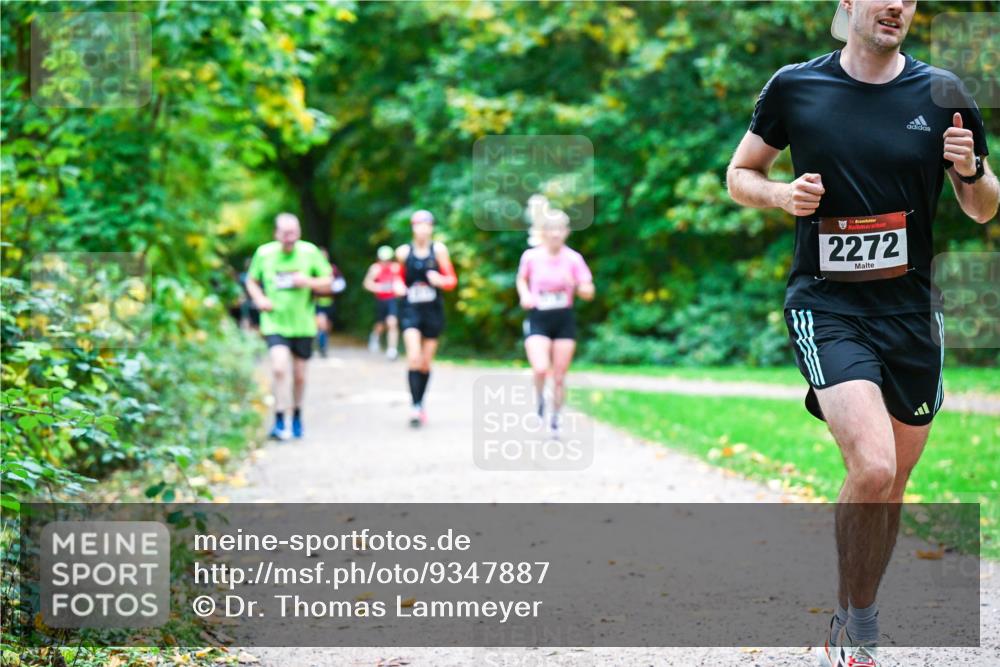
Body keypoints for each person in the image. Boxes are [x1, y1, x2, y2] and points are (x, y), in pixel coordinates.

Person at [726, 1, 997, 665]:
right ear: (848, 2)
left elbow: (983, 206)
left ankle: (855, 610)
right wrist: (781, 196)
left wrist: (970, 171)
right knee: (873, 466)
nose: (897, 5)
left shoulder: (944, 93)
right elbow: (740, 175)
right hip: (827, 305)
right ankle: (859, 629)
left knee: (892, 484)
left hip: (911, 315)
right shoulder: (796, 86)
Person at [245, 213, 333, 441]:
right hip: (275, 321)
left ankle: (296, 416)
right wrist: (260, 298)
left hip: (303, 324)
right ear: (276, 234)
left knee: (300, 376)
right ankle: (279, 418)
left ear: (299, 232)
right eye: (285, 233)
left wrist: (308, 282)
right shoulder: (264, 253)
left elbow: (328, 281)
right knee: (279, 368)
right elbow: (251, 280)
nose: (290, 237)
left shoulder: (309, 252)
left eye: (294, 232)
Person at [516, 202, 594, 436]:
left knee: (559, 376)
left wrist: (576, 285)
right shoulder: (531, 256)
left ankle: (556, 419)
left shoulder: (574, 259)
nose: (556, 234)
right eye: (551, 229)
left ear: (566, 232)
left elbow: (589, 292)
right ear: (543, 232)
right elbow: (521, 279)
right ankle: (540, 401)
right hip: (538, 317)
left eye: (560, 229)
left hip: (563, 320)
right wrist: (525, 294)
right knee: (540, 368)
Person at [395, 210, 458, 427]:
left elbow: (451, 280)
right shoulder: (403, 252)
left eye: (426, 225)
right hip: (411, 309)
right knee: (413, 357)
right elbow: (398, 278)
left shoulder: (438, 251)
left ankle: (420, 403)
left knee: (424, 363)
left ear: (431, 228)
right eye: (418, 225)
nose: (422, 229)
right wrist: (398, 286)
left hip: (432, 310)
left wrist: (441, 280)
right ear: (413, 228)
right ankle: (414, 406)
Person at [363, 245, 402, 360]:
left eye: (387, 260)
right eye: (383, 260)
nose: (385, 262)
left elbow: (400, 282)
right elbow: (366, 284)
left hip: (392, 299)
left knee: (392, 322)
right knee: (380, 325)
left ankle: (392, 349)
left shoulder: (395, 268)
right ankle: (375, 337)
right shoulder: (375, 268)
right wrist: (379, 287)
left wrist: (397, 288)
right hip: (380, 300)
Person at [315, 248, 346, 357]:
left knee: (327, 327)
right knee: (322, 324)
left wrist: (330, 288)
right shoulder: (312, 270)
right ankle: (321, 347)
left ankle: (322, 343)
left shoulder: (332, 269)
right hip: (317, 302)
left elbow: (340, 284)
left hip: (330, 302)